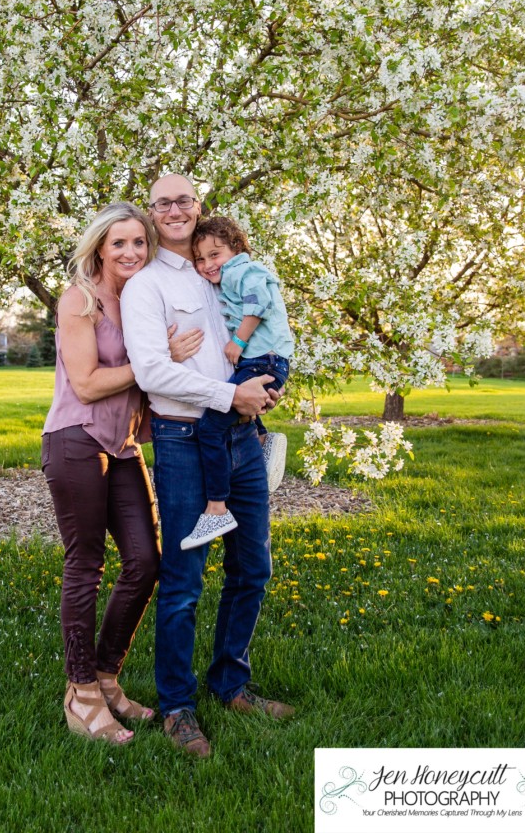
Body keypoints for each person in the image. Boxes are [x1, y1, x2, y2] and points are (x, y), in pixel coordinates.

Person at [120, 175, 295, 758]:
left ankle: (231, 683)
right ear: (152, 212)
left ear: (199, 208)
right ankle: (176, 706)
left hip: (243, 437)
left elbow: (259, 330)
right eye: (163, 202)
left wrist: (264, 387)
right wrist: (229, 397)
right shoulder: (145, 288)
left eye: (184, 200)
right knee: (184, 582)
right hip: (184, 439)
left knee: (253, 569)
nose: (175, 210)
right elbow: (152, 373)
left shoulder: (224, 269)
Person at [41, 201, 161, 745]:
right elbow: (87, 383)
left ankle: (108, 676)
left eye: (139, 242)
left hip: (125, 445)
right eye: (120, 243)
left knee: (145, 561)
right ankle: (80, 692)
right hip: (76, 440)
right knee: (85, 565)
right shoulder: (79, 299)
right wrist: (156, 365)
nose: (131, 252)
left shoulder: (141, 300)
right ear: (99, 247)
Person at [180, 214, 293, 550]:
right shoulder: (230, 275)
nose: (207, 264)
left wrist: (238, 342)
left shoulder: (242, 270)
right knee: (238, 408)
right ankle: (262, 441)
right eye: (199, 259)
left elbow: (259, 304)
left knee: (211, 428)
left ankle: (216, 508)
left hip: (262, 359)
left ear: (237, 249)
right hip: (266, 360)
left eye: (215, 254)